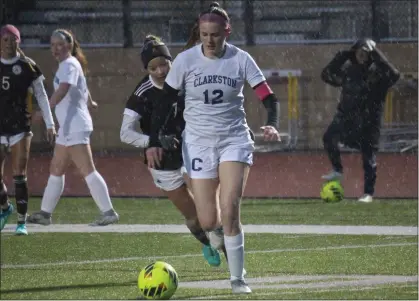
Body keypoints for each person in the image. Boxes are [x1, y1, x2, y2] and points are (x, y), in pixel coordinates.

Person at [145, 2, 280, 294]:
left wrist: (272, 122)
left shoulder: (241, 59)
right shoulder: (185, 60)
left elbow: (268, 97)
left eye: (215, 35)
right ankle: (218, 236)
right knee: (208, 219)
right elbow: (164, 101)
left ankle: (238, 278)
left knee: (230, 209)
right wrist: (155, 139)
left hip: (234, 140)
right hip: (198, 144)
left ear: (226, 32)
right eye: (205, 34)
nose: (209, 40)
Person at [120, 34, 222, 267]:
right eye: (153, 67)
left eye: (164, 64)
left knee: (208, 210)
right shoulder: (142, 93)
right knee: (192, 217)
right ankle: (207, 245)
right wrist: (152, 142)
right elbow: (124, 133)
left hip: (190, 148)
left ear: (171, 61)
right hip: (162, 161)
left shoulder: (185, 77)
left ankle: (229, 252)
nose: (160, 71)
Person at [27, 29, 119, 226]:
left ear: (69, 46)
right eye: (52, 45)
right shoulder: (69, 65)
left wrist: (45, 110)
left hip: (75, 126)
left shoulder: (69, 64)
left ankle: (109, 212)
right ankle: (45, 213)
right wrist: (90, 102)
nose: (56, 48)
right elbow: (82, 88)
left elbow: (64, 89)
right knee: (56, 168)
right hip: (68, 128)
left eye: (60, 44)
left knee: (87, 169)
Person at [321, 38, 400, 203]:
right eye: (359, 52)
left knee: (368, 157)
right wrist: (343, 56)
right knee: (329, 137)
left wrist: (376, 52)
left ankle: (368, 193)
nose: (362, 55)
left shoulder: (379, 77)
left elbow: (394, 74)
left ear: (371, 56)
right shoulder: (351, 72)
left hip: (369, 123)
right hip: (348, 120)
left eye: (366, 53)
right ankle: (337, 169)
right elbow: (326, 75)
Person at [0, 24, 56, 235]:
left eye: (12, 39)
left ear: (18, 42)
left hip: (20, 128)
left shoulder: (27, 66)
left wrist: (50, 124)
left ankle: (21, 221)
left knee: (18, 175)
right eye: (4, 39)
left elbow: (41, 95)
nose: (8, 43)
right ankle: (5, 208)